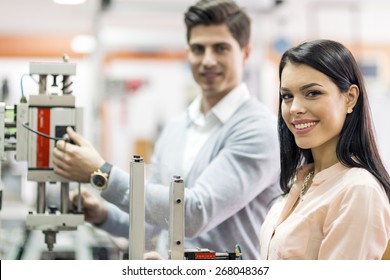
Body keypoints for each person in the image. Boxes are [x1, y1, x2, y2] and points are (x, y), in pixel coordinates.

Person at [53, 0, 280, 260]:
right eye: (198, 48)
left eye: (221, 48)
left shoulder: (259, 129)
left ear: (245, 53)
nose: (208, 60)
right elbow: (156, 220)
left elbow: (194, 213)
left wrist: (101, 173)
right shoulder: (176, 129)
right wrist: (103, 214)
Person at [259, 39, 390, 260]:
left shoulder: (357, 189)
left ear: (350, 98)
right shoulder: (301, 180)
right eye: (287, 96)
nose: (295, 109)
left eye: (312, 93)